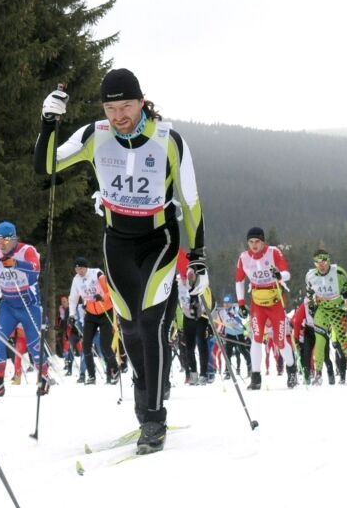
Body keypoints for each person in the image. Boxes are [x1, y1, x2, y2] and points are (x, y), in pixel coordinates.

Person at [34, 68, 206, 454]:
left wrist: (198, 259)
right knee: (128, 329)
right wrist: (48, 122)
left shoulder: (167, 140)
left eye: (126, 105)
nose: (119, 115)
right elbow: (46, 168)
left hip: (159, 240)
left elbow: (191, 201)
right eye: (111, 107)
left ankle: (154, 417)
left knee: (151, 323)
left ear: (142, 102)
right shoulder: (95, 135)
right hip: (117, 242)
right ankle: (147, 388)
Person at [0, 221, 48, 397]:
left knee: (34, 346)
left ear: (14, 238)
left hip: (29, 305)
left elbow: (36, 271)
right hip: (8, 306)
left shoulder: (27, 251)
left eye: (5, 240)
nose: (1, 244)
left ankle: (44, 377)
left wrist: (16, 264)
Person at [235, 226, 297, 390]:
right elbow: (239, 280)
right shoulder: (244, 257)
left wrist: (279, 275)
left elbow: (287, 273)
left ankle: (291, 370)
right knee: (256, 339)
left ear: (263, 242)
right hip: (257, 304)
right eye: (250, 242)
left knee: (280, 341)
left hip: (275, 302)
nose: (254, 245)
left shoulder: (273, 252)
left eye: (257, 241)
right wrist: (241, 303)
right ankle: (255, 377)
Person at [303, 249, 347, 385]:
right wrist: (312, 304)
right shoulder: (310, 276)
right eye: (318, 262)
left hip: (338, 309)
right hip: (322, 310)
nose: (322, 265)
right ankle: (318, 374)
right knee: (320, 341)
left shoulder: (339, 272)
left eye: (324, 261)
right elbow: (309, 293)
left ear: (329, 260)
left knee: (343, 341)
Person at [68, 257, 120, 385]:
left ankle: (114, 369)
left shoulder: (97, 274)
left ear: (86, 267)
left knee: (105, 346)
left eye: (81, 268)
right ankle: (91, 376)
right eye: (76, 269)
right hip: (91, 313)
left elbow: (110, 292)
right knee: (85, 345)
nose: (79, 271)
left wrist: (102, 297)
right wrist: (72, 314)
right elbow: (73, 298)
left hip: (105, 310)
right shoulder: (76, 280)